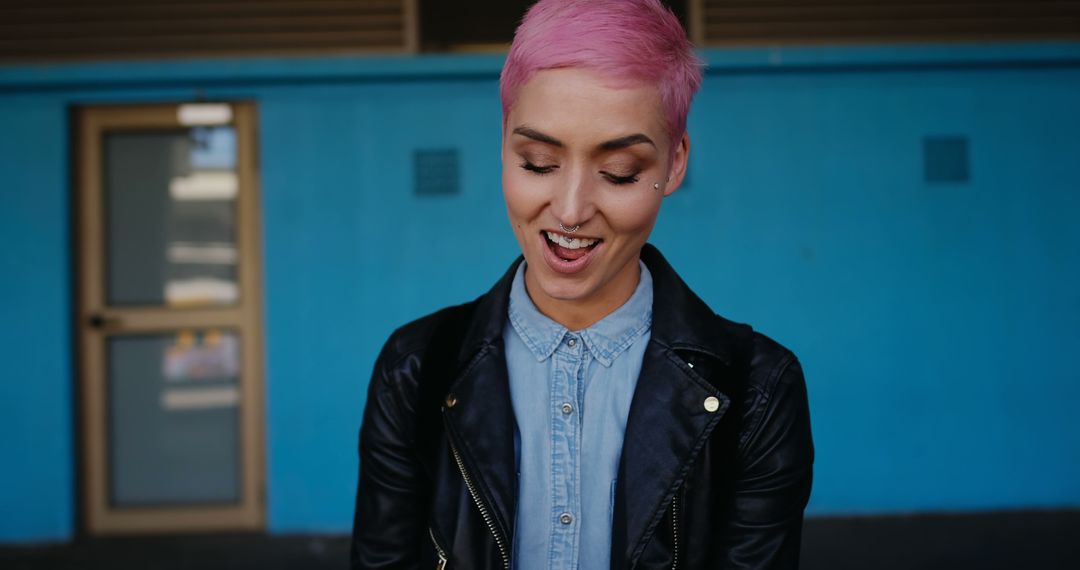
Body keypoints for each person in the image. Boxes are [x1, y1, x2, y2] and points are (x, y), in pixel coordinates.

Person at [351, 0, 814, 568]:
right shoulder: (416, 369)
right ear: (503, 145)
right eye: (539, 162)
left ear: (674, 164)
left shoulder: (758, 390)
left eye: (619, 172)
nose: (570, 211)